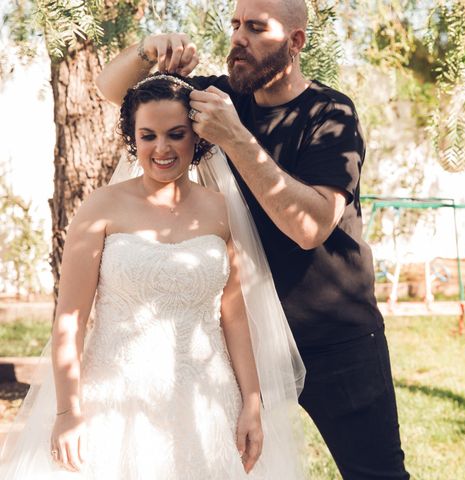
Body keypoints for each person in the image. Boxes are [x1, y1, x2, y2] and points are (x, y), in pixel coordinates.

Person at [97, 1, 410, 478]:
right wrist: (146, 52)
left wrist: (237, 138)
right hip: (239, 343)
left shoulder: (331, 114)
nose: (238, 38)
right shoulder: (221, 98)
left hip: (335, 338)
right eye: (236, 25)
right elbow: (111, 90)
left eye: (257, 28)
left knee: (377, 474)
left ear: (295, 41)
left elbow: (310, 228)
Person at [0, 74, 305, 479]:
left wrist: (252, 399)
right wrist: (68, 411)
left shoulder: (221, 210)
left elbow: (234, 318)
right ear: (133, 139)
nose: (161, 148)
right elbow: (69, 321)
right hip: (114, 400)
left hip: (207, 402)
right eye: (148, 136)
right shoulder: (101, 207)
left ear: (196, 137)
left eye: (175, 134)